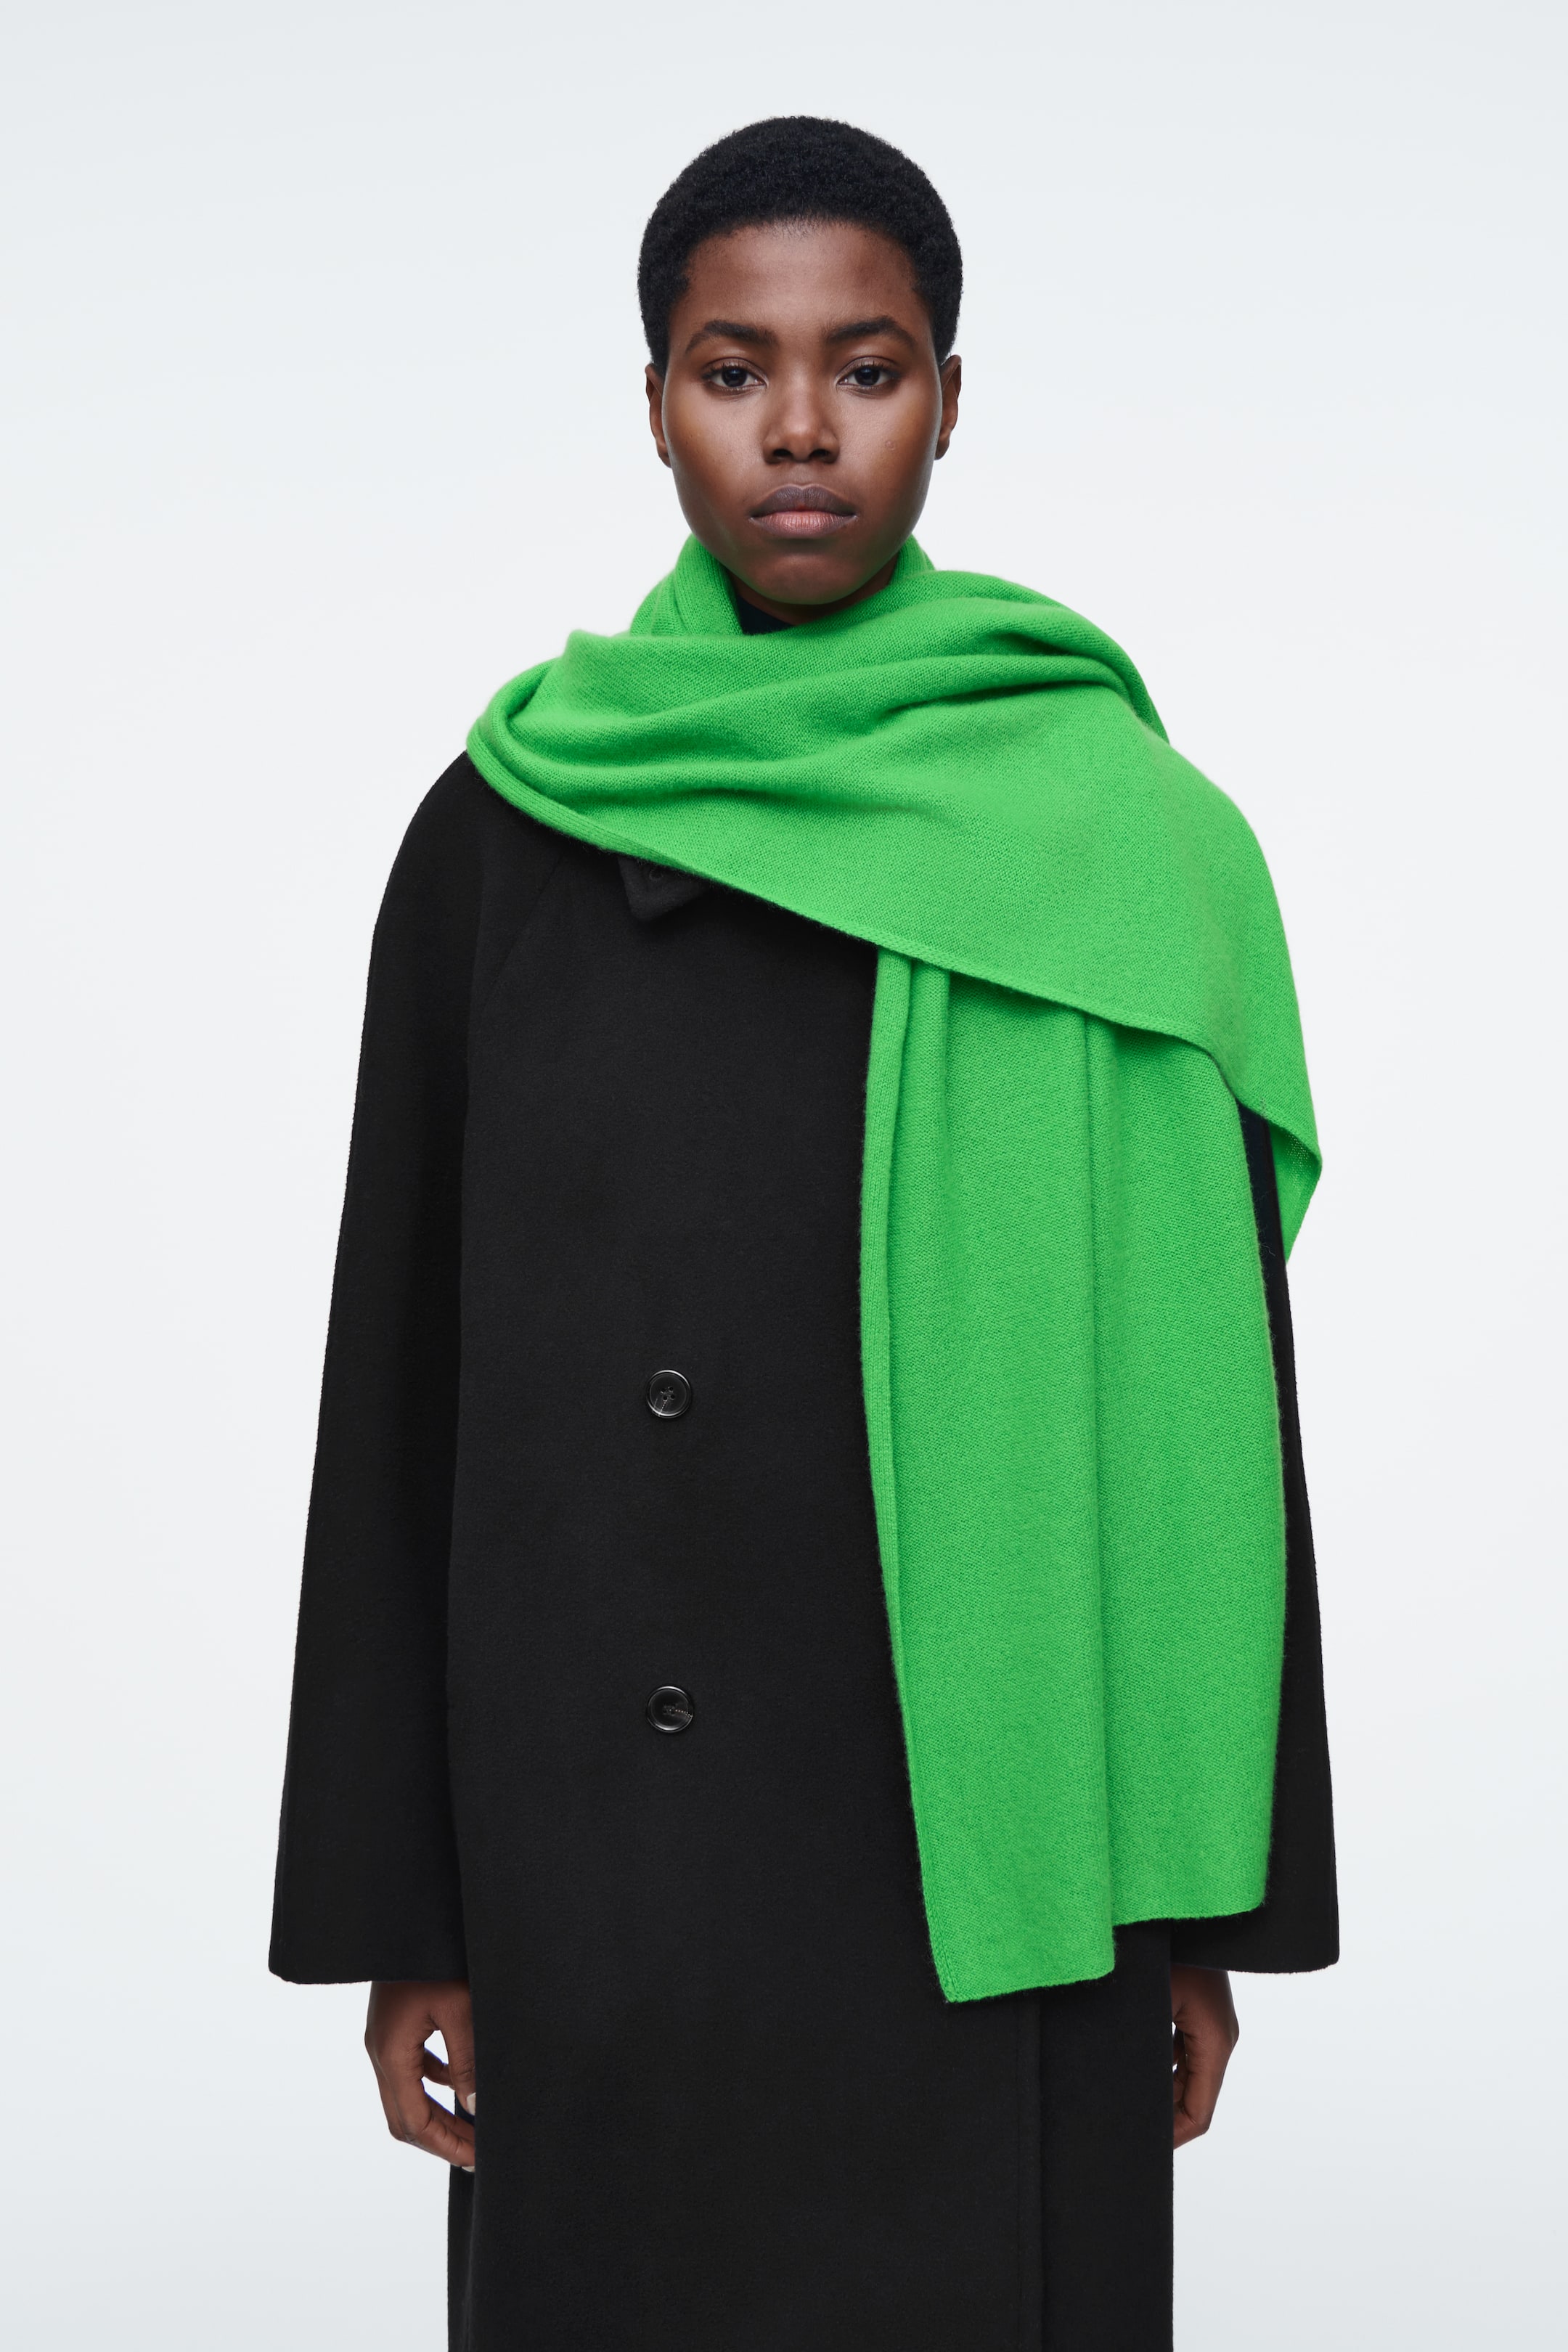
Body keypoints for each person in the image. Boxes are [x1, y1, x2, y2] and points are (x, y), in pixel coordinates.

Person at [271, 115, 1336, 2350]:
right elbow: (398, 1392)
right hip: (598, 1850)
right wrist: (406, 1915)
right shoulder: (506, 828)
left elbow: (1209, 1415)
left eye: (866, 367)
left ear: (948, 395)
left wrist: (1210, 1906)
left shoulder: (1124, 838)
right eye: (731, 369)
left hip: (1000, 1852)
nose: (798, 431)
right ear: (654, 401)